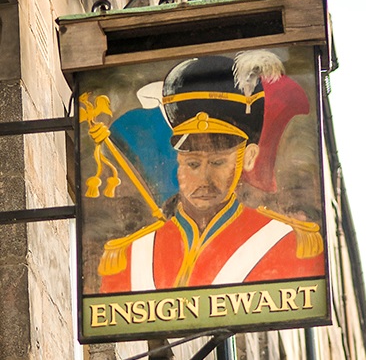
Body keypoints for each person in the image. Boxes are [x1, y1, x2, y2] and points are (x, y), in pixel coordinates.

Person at [98, 50, 325, 293]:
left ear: (248, 158)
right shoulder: (131, 254)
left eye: (217, 162)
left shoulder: (284, 241)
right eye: (192, 164)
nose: (203, 179)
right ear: (178, 162)